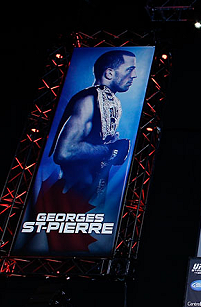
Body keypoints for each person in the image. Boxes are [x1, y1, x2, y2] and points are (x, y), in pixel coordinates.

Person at [47, 50, 136, 208]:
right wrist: (108, 150)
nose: (134, 75)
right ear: (109, 73)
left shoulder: (108, 100)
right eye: (129, 70)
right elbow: (64, 152)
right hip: (68, 198)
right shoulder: (88, 100)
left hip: (87, 198)